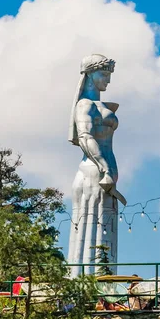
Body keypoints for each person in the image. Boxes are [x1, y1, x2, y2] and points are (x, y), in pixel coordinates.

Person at [67, 54, 125, 277]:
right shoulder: (84, 105)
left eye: (109, 75)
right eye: (104, 74)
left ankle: (105, 278)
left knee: (105, 228)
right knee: (92, 225)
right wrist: (104, 167)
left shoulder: (98, 104)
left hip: (103, 174)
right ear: (90, 74)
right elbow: (85, 137)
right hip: (93, 173)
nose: (107, 81)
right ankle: (87, 281)